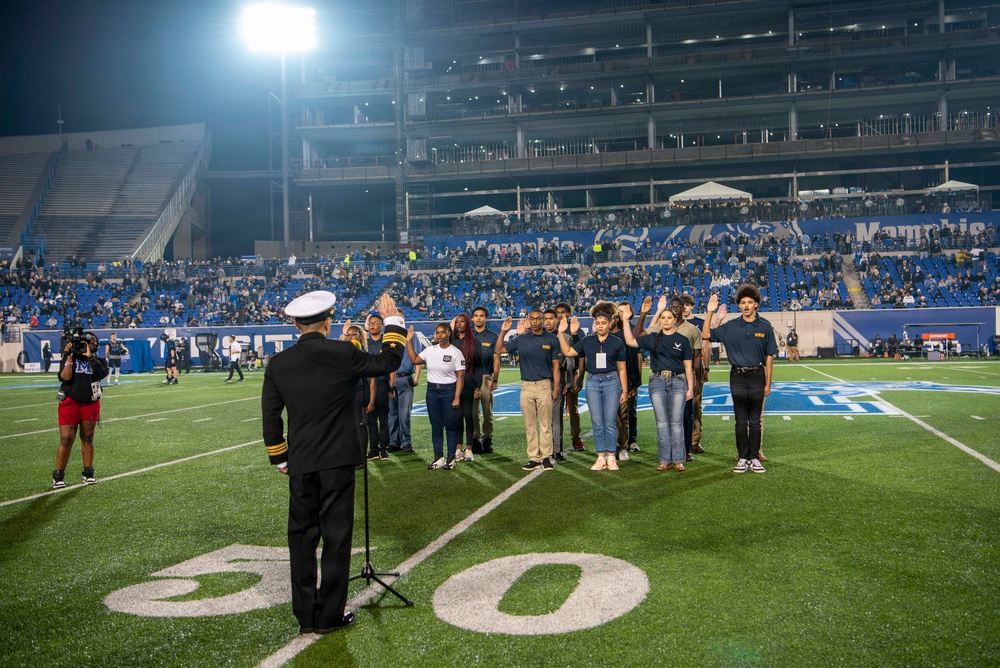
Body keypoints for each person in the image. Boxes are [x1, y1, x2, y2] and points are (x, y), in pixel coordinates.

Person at [262, 291, 406, 635]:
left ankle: (305, 616)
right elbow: (388, 362)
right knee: (336, 538)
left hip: (300, 461)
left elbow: (271, 416)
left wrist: (280, 456)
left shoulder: (279, 363)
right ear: (328, 321)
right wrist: (393, 322)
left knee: (301, 538)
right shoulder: (344, 352)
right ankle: (329, 616)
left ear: (296, 324)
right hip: (339, 460)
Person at [702, 285, 777, 474]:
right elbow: (706, 335)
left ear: (756, 304)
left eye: (750, 302)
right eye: (743, 302)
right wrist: (710, 312)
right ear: (739, 305)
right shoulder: (731, 327)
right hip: (737, 376)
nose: (746, 306)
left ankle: (754, 457)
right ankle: (743, 457)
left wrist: (768, 382)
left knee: (755, 421)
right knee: (740, 420)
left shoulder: (765, 327)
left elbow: (769, 357)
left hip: (758, 376)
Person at [622, 296, 694, 471]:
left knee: (676, 422)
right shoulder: (653, 338)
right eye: (663, 317)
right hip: (657, 381)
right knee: (661, 422)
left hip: (678, 381)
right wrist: (625, 320)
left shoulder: (683, 340)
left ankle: (678, 459)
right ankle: (664, 460)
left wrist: (691, 388)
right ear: (660, 320)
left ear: (675, 320)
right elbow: (630, 341)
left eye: (669, 317)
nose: (666, 320)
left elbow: (688, 366)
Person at [556, 302, 627, 471]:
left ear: (610, 323)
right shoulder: (587, 341)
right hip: (593, 382)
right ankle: (600, 457)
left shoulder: (617, 342)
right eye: (598, 323)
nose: (601, 326)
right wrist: (560, 333)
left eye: (604, 323)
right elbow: (568, 352)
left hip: (612, 381)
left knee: (610, 422)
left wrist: (624, 390)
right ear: (594, 323)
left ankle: (611, 457)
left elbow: (622, 369)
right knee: (597, 422)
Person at [497, 309, 561, 471]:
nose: (535, 321)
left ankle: (546, 456)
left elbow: (556, 367)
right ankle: (534, 457)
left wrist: (556, 387)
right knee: (530, 425)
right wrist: (503, 331)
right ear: (528, 320)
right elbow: (499, 350)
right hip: (526, 386)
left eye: (538, 319)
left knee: (546, 424)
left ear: (541, 320)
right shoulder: (521, 339)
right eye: (531, 319)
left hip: (545, 385)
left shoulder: (552, 339)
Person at [52, 330, 108, 488]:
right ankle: (58, 475)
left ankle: (88, 473)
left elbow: (101, 373)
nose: (87, 345)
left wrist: (90, 357)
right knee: (66, 438)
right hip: (71, 401)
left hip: (90, 402)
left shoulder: (99, 360)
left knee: (88, 437)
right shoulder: (71, 357)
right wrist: (69, 356)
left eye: (90, 343)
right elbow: (64, 378)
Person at [405, 322, 464, 469]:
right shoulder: (429, 350)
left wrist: (456, 397)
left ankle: (451, 458)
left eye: (443, 332)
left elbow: (461, 377)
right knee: (436, 426)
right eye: (437, 332)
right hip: (432, 392)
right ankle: (438, 457)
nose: (439, 335)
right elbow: (415, 360)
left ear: (449, 333)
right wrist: (408, 341)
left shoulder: (456, 352)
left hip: (449, 391)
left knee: (450, 426)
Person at [670, 295, 703, 461]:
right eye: (672, 307)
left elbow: (697, 357)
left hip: (685, 377)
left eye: (678, 307)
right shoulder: (663, 327)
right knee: (668, 416)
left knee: (686, 415)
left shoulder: (692, 330)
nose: (676, 310)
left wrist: (697, 380)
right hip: (667, 378)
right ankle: (671, 449)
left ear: (684, 309)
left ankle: (687, 449)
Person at [388, 308, 421, 454]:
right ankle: (393, 442)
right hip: (390, 378)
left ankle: (406, 442)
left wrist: (417, 377)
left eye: (399, 317)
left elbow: (419, 358)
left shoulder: (412, 336)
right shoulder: (388, 336)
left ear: (403, 319)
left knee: (404, 413)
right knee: (392, 413)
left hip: (406, 377)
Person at [555, 302, 586, 452]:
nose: (561, 315)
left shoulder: (577, 331)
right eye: (558, 312)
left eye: (563, 312)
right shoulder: (553, 331)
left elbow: (582, 355)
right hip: (556, 375)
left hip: (572, 374)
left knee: (573, 409)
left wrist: (580, 376)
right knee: (555, 409)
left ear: (569, 313)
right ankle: (556, 441)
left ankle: (576, 438)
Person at [470, 306, 500, 454]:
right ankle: (475, 440)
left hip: (487, 377)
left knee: (487, 411)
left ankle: (488, 440)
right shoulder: (468, 336)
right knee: (473, 412)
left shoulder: (493, 336)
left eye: (481, 316)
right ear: (472, 318)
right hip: (471, 378)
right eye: (476, 316)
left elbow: (496, 359)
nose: (479, 318)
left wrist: (495, 379)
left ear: (486, 318)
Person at [450, 313, 480, 462]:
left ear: (467, 323)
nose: (459, 324)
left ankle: (469, 449)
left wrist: (477, 387)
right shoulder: (451, 341)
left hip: (468, 383)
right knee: (456, 417)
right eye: (457, 322)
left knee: (468, 415)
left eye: (462, 322)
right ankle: (458, 448)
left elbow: (479, 366)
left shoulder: (474, 342)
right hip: (452, 384)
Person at [680, 294, 708, 453]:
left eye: (687, 305)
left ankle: (695, 440)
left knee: (696, 405)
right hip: (678, 369)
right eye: (682, 305)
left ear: (692, 306)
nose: (684, 308)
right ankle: (680, 440)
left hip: (695, 369)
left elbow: (706, 346)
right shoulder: (674, 323)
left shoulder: (699, 323)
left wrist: (706, 367)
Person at [364, 314, 392, 461]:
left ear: (382, 326)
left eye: (376, 323)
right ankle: (373, 449)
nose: (373, 325)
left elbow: (391, 366)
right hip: (366, 385)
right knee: (370, 420)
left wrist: (391, 387)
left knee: (383, 419)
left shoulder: (386, 344)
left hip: (382, 384)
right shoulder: (365, 343)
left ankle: (384, 449)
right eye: (371, 323)